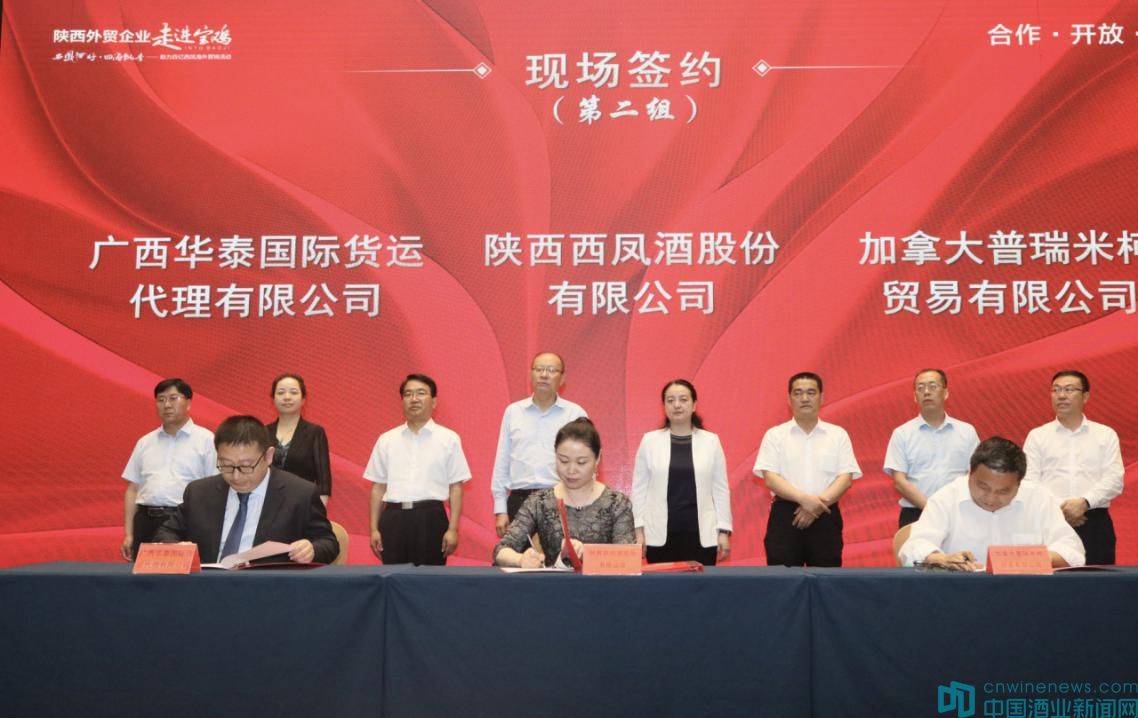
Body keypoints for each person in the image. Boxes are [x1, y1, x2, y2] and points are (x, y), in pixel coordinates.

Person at [154, 415, 338, 564]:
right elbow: (166, 533)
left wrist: (311, 549)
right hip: (207, 586)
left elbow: (328, 543)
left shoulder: (300, 494)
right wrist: (176, 547)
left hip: (267, 589)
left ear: (268, 456)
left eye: (246, 466)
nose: (236, 476)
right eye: (226, 465)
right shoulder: (199, 492)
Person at [899, 436, 1085, 570]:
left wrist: (1024, 560)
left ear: (1019, 484)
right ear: (969, 473)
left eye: (1003, 491)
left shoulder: (1039, 498)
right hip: (962, 595)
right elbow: (913, 547)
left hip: (1024, 594)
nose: (991, 498)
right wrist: (940, 558)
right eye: (983, 487)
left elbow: (1073, 552)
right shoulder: (946, 498)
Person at [494, 418, 635, 568]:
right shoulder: (539, 502)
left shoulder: (617, 503)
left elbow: (628, 558)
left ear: (598, 458)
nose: (571, 470)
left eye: (581, 462)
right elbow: (501, 550)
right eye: (563, 461)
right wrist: (520, 559)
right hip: (554, 583)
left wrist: (590, 553)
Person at [754, 372, 861, 567]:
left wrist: (817, 506)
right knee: (783, 580)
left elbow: (845, 478)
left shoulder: (838, 435)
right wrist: (806, 501)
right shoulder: (775, 435)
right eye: (798, 393)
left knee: (826, 579)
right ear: (789, 399)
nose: (804, 398)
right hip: (786, 517)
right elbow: (771, 478)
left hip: (826, 515)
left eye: (811, 393)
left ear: (822, 398)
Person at [364, 374, 471, 566]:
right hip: (393, 519)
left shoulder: (449, 439)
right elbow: (378, 488)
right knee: (394, 578)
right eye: (408, 394)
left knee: (429, 579)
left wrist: (453, 529)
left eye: (421, 393)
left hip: (431, 519)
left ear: (434, 402)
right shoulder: (386, 440)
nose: (414, 399)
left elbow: (456, 487)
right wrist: (373, 529)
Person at [1023, 370, 1124, 565]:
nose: (1061, 395)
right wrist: (1062, 508)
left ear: (1085, 396)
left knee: (1099, 579)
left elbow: (1114, 480)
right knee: (1050, 579)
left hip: (1094, 521)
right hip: (1050, 520)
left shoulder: (1105, 435)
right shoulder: (1037, 436)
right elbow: (1030, 481)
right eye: (1056, 390)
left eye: (1069, 390)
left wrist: (1084, 502)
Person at [631, 379, 732, 565]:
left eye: (683, 399)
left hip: (701, 536)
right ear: (664, 406)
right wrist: (638, 531)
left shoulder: (711, 441)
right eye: (670, 400)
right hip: (659, 536)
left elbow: (721, 489)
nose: (677, 405)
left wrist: (724, 531)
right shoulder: (650, 441)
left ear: (694, 405)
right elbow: (639, 490)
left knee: (700, 584)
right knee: (662, 584)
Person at [491, 352, 588, 538]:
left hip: (561, 500)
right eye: (539, 369)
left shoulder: (575, 414)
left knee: (560, 556)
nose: (544, 375)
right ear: (531, 374)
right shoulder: (513, 412)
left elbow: (587, 464)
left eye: (551, 370)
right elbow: (502, 461)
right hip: (519, 500)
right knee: (517, 556)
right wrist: (500, 509)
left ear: (562, 378)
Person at [121, 378, 216, 561]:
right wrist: (129, 534)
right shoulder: (145, 442)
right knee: (143, 575)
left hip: (182, 521)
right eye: (161, 399)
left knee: (180, 575)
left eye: (173, 398)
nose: (167, 405)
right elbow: (133, 489)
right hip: (145, 521)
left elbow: (214, 490)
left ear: (188, 403)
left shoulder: (206, 440)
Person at [883, 369, 980, 528]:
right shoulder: (902, 434)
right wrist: (932, 509)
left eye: (933, 386)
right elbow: (899, 481)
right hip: (915, 513)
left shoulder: (966, 432)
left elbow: (976, 474)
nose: (926, 392)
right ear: (915, 397)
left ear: (945, 393)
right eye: (920, 388)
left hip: (958, 511)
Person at [265, 373, 332, 506]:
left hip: (301, 505)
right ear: (273, 399)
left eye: (293, 392)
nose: (287, 397)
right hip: (265, 504)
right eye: (281, 392)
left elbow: (323, 482)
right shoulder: (262, 432)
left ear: (303, 399)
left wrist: (318, 512)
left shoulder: (315, 433)